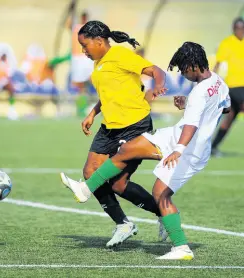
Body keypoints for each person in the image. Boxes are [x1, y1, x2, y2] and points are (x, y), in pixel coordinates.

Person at [60, 42, 231, 260]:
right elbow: (223, 107)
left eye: (182, 68)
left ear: (192, 65)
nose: (182, 73)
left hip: (189, 149)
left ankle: (181, 248)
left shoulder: (199, 92)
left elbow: (192, 126)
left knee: (161, 193)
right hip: (175, 135)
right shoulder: (217, 81)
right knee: (128, 149)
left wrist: (179, 150)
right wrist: (189, 104)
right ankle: (85, 189)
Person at [60, 20, 168, 247]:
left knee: (119, 184)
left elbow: (155, 70)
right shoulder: (98, 64)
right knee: (90, 172)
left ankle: (164, 213)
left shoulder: (120, 55)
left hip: (134, 126)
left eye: (85, 45)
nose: (83, 50)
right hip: (109, 126)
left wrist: (158, 85)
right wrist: (92, 113)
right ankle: (123, 224)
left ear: (99, 41)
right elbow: (110, 92)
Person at [211, 17, 244, 156]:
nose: (240, 31)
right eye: (237, 28)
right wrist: (212, 80)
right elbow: (219, 63)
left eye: (242, 28)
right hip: (233, 85)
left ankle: (213, 147)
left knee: (230, 116)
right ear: (233, 29)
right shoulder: (227, 43)